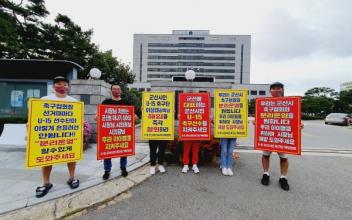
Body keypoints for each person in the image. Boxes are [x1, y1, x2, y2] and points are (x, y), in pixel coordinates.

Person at [34, 76, 80, 198]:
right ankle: (46, 183)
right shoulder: (44, 99)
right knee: (47, 159)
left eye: (65, 84)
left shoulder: (74, 102)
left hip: (68, 136)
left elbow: (78, 120)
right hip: (50, 137)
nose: (62, 86)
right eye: (58, 84)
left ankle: (71, 178)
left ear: (68, 87)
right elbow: (36, 118)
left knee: (71, 156)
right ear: (53, 86)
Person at [260, 82, 304, 191]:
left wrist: (299, 124)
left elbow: (294, 117)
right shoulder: (264, 103)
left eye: (278, 88)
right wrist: (257, 123)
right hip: (269, 135)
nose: (276, 90)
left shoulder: (290, 103)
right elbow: (260, 117)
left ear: (282, 90)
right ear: (270, 91)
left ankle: (283, 177)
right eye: (273, 88)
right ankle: (266, 174)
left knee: (283, 158)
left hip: (282, 136)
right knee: (265, 156)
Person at [99, 84, 138, 180]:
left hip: (123, 132)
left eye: (118, 89)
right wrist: (97, 117)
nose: (116, 90)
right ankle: (107, 171)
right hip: (110, 132)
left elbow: (134, 115)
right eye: (114, 89)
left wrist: (135, 117)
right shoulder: (106, 102)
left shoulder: (126, 102)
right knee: (107, 151)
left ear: (121, 91)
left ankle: (123, 168)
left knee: (123, 150)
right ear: (111, 91)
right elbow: (100, 114)